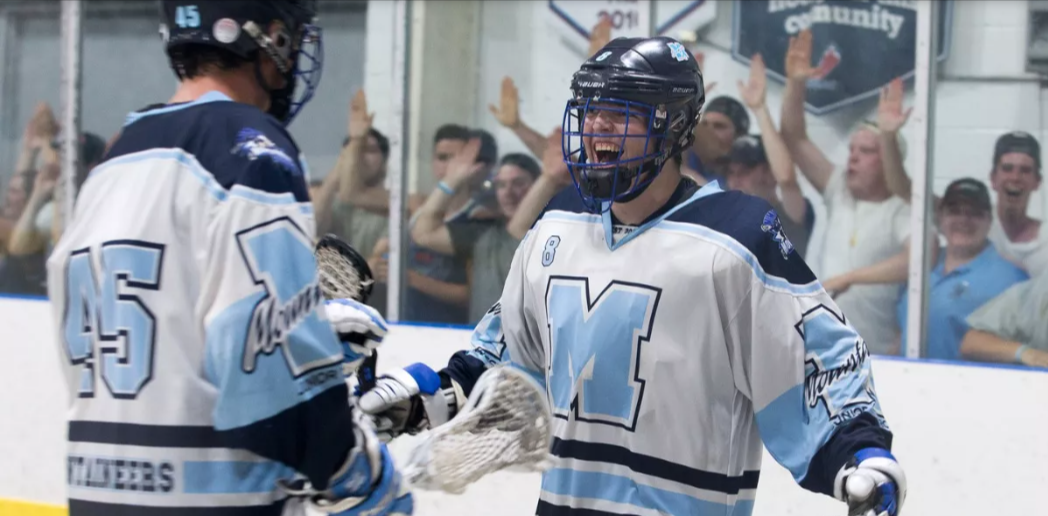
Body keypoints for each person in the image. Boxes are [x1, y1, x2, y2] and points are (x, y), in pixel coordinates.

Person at [356, 37, 906, 516]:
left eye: (617, 113)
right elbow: (505, 359)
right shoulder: (558, 224)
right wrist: (423, 395)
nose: (594, 127)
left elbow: (818, 365)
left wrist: (861, 454)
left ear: (672, 125)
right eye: (588, 109)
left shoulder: (738, 239)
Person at [44, 2, 411, 515]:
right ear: (268, 38)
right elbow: (264, 368)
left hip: (95, 490)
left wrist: (313, 334)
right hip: (217, 498)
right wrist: (356, 470)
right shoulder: (251, 148)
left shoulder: (115, 157)